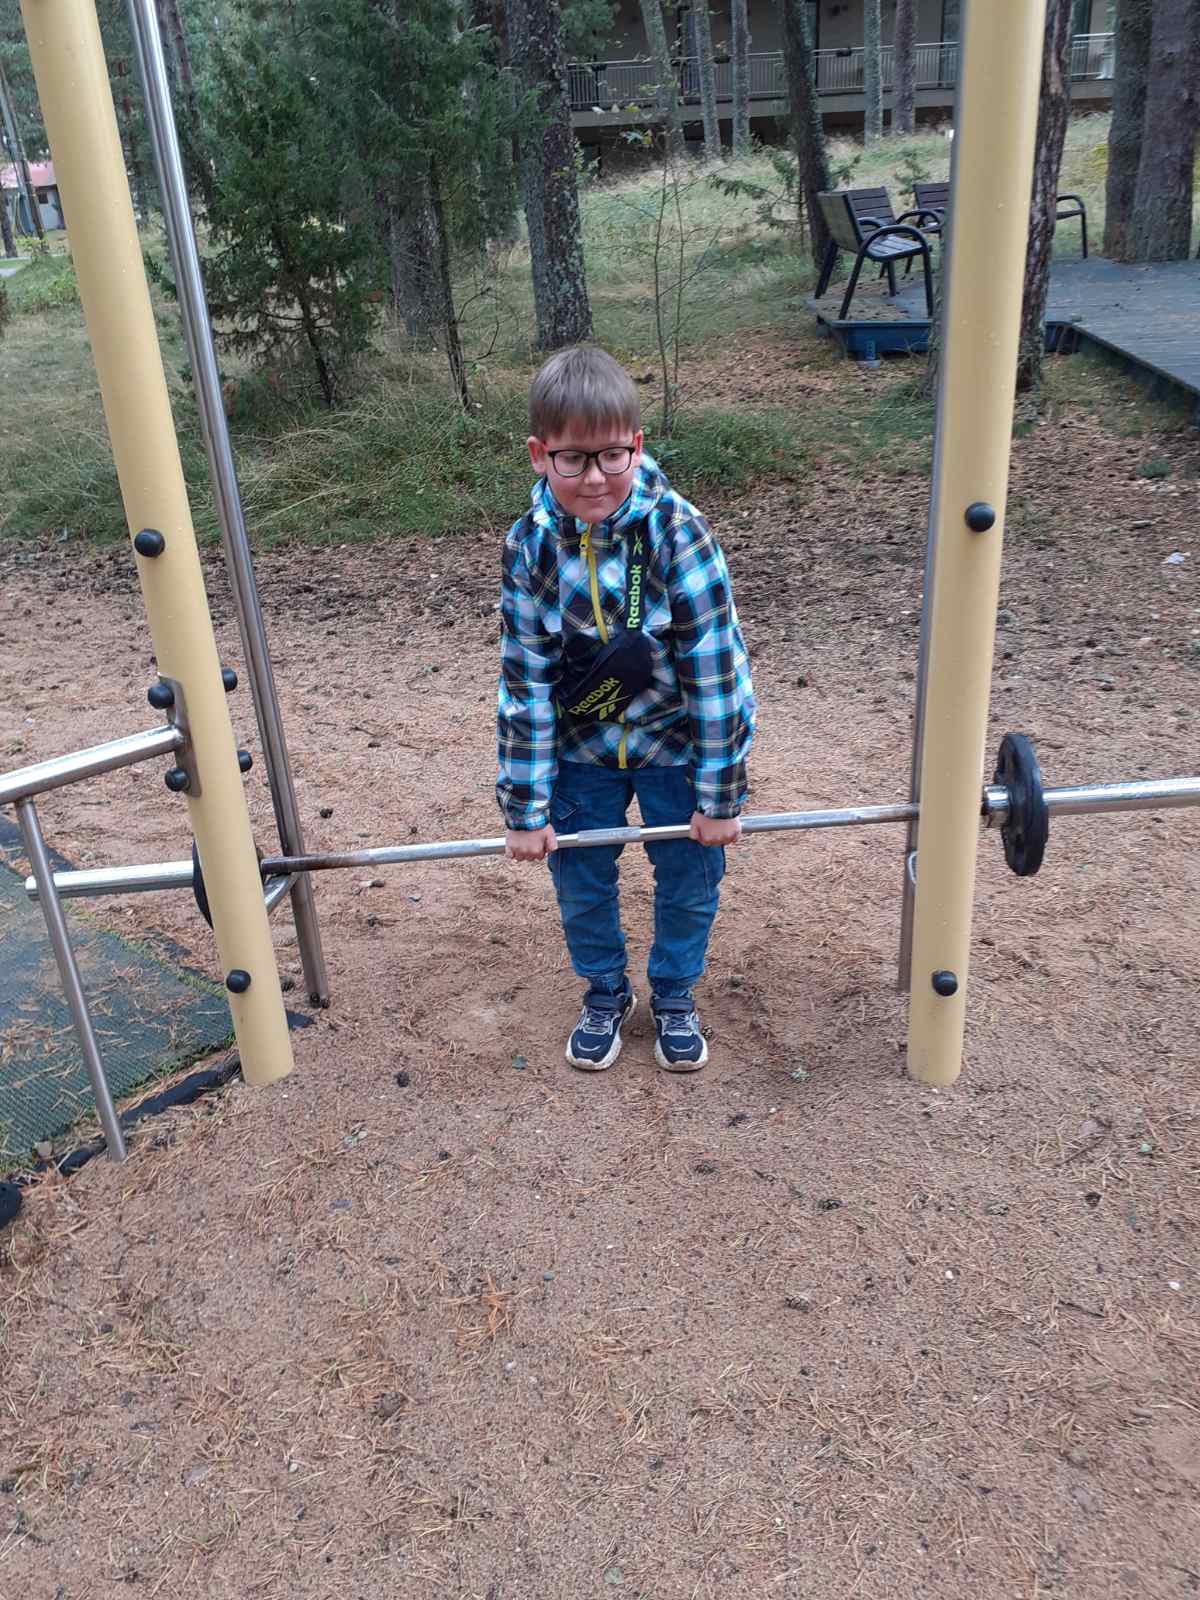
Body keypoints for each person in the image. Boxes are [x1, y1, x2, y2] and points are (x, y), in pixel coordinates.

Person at [497, 346, 755, 1074]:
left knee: (690, 875)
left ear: (636, 446)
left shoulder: (678, 531)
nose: (595, 477)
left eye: (612, 456)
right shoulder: (528, 547)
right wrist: (525, 807)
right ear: (540, 455)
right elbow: (525, 679)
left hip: (675, 743)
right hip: (582, 749)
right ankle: (605, 991)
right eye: (572, 459)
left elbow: (715, 671)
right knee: (580, 881)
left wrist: (719, 797)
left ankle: (674, 993)